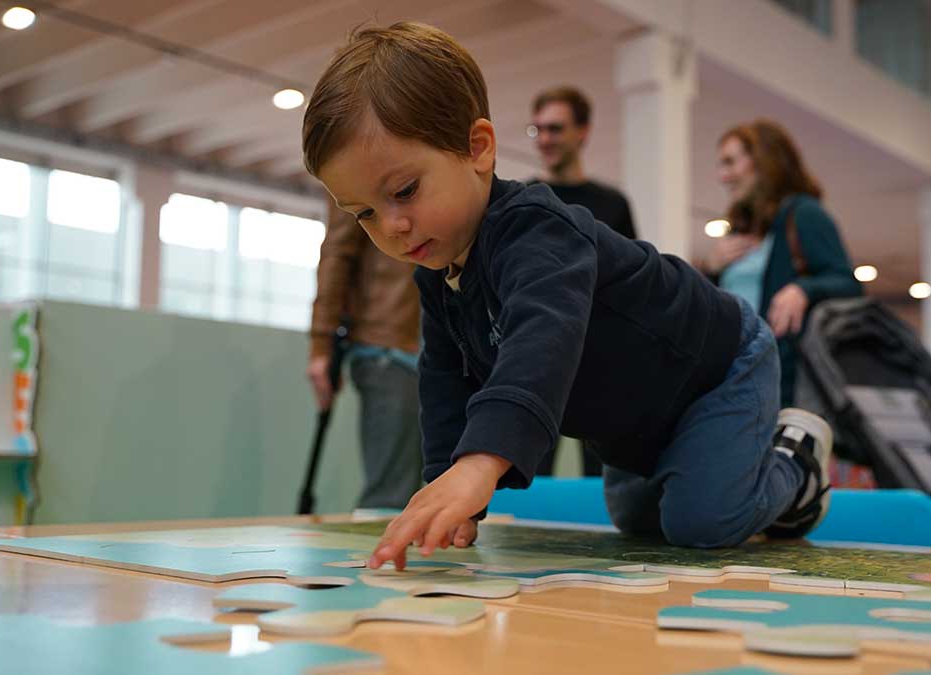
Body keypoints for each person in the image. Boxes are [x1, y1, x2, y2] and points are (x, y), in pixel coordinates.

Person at [301, 21, 834, 570]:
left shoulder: (536, 229)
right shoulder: (436, 277)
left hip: (720, 368)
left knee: (701, 524)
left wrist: (481, 465)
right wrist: (446, 481)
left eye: (405, 191)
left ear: (478, 149)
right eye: (364, 213)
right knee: (639, 522)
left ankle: (796, 463)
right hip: (638, 420)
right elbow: (444, 382)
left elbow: (541, 344)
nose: (391, 226)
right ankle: (733, 480)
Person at [702, 120, 862, 408]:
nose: (722, 176)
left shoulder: (804, 214)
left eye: (730, 162)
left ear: (763, 160)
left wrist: (803, 289)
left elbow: (848, 283)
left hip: (782, 384)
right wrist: (711, 268)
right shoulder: (741, 229)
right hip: (734, 381)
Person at [529, 85, 637, 477]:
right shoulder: (524, 199)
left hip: (599, 359)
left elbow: (632, 284)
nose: (544, 139)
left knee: (603, 476)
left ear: (583, 132)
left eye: (555, 129)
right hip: (538, 355)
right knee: (531, 473)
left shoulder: (613, 205)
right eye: (537, 130)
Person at [308, 204, 422, 510]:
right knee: (392, 494)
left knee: (433, 495)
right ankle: (380, 558)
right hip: (389, 345)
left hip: (430, 345)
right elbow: (337, 252)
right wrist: (321, 343)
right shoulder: (359, 164)